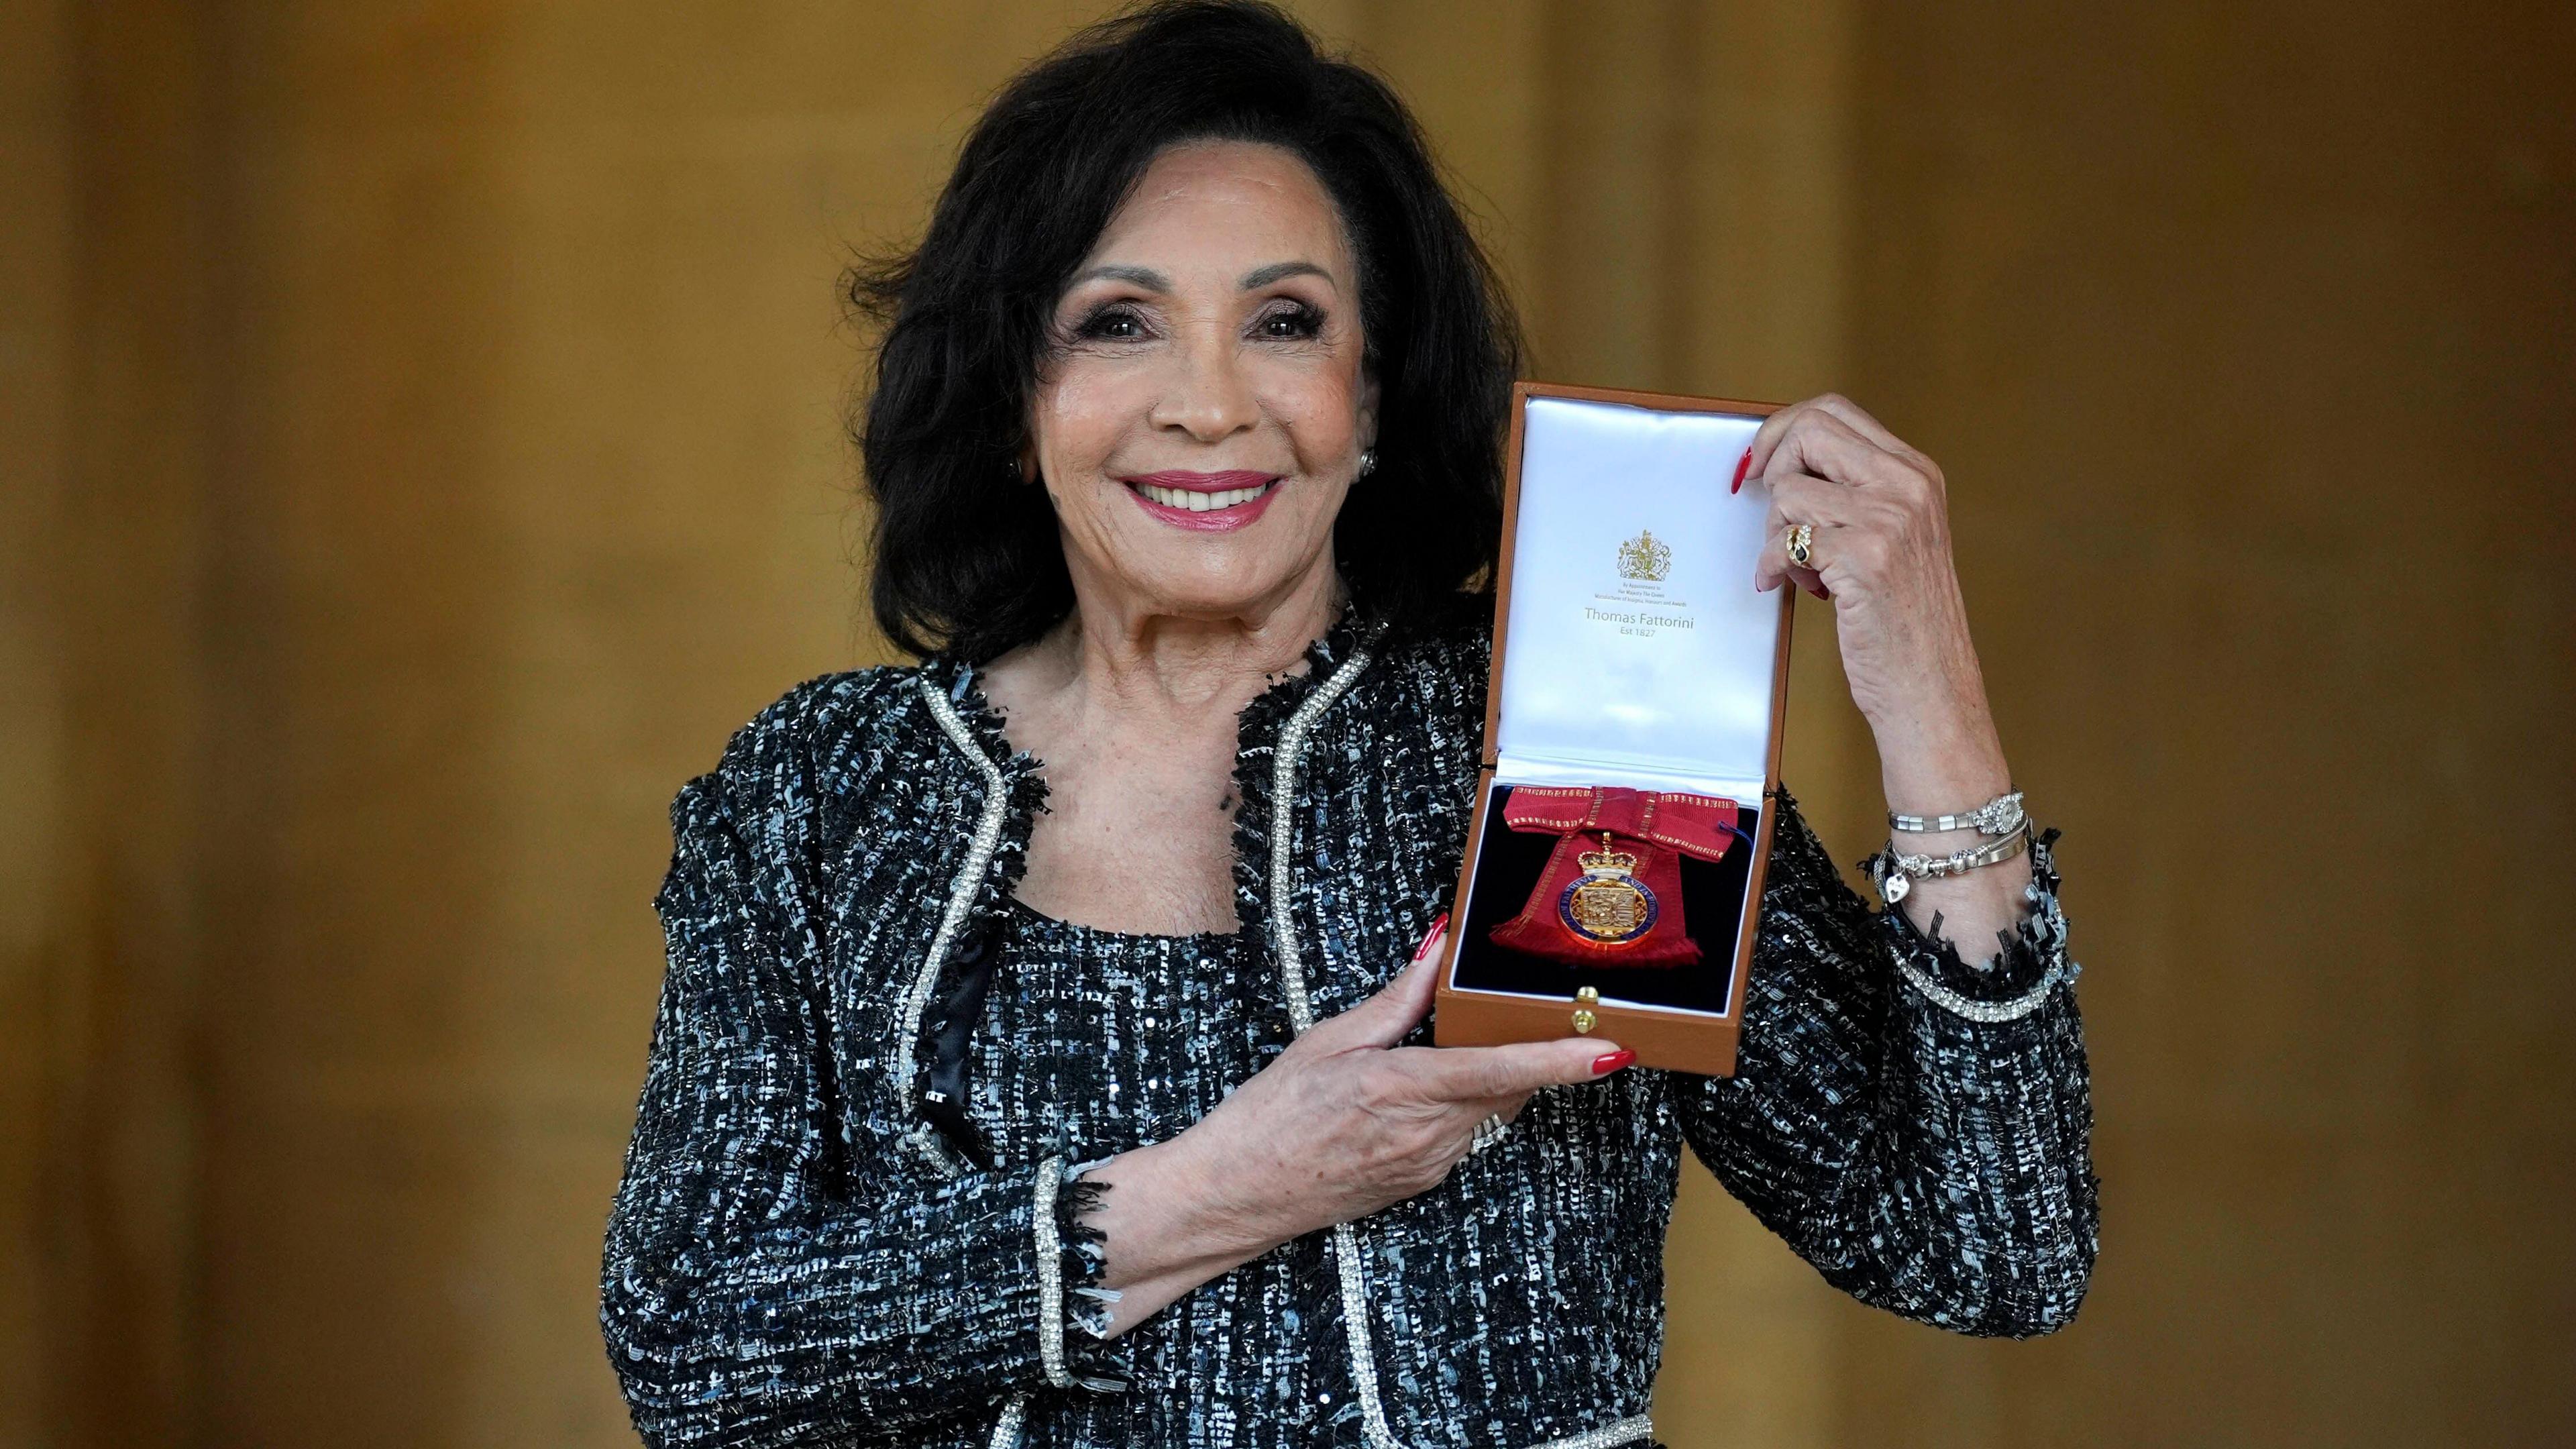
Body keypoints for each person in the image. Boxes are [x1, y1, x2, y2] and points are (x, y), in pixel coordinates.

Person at [598, 4, 2096, 1446]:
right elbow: (690, 1349)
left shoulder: (1559, 739)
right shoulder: (828, 792)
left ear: (1369, 399)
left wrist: (1933, 701)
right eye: (1120, 323)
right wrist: (1228, 1187)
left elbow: (1988, 1252)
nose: (1207, 404)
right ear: (1015, 396)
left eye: (1285, 323)